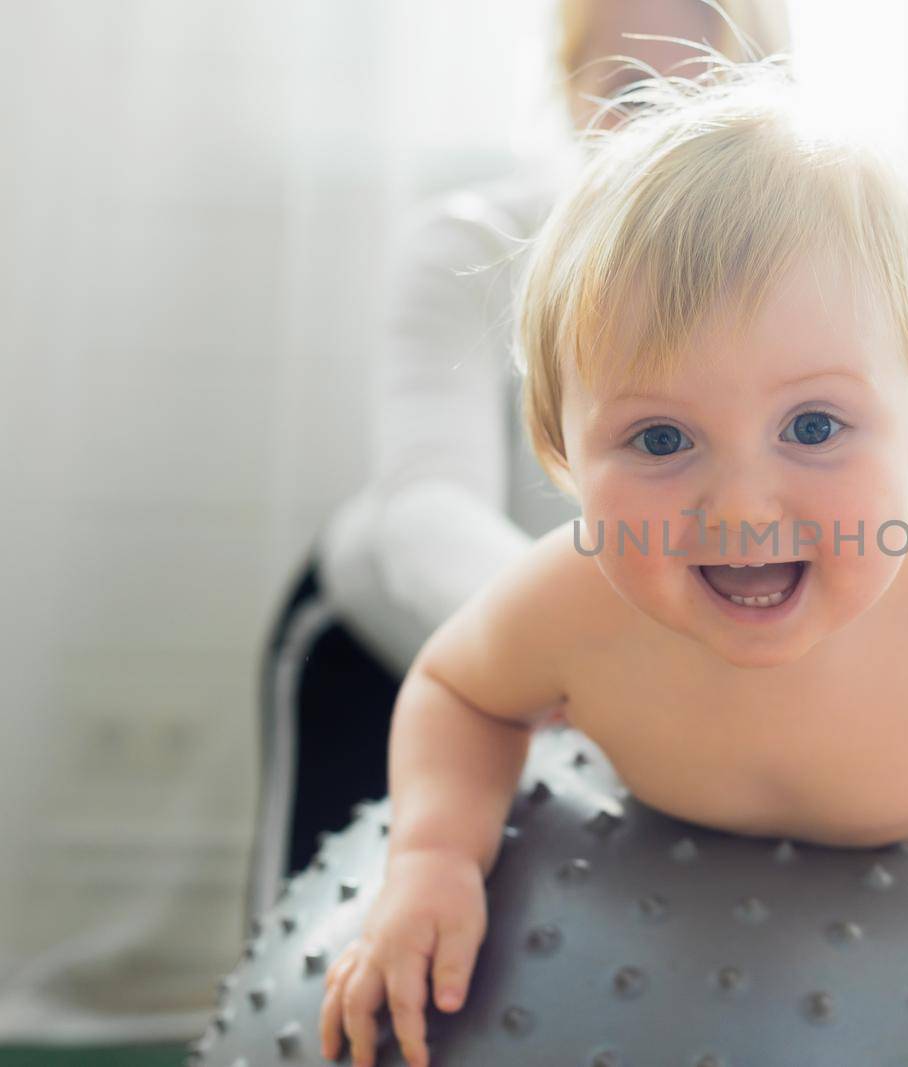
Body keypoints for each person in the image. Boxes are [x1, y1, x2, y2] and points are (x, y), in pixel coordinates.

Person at [316, 61, 908, 1067]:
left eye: (814, 424)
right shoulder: (568, 598)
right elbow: (456, 685)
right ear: (562, 454)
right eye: (658, 439)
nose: (741, 507)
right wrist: (433, 855)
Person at [247, 0, 796, 919]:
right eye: (628, 92)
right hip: (401, 629)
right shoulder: (472, 246)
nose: (664, 128)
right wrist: (606, 654)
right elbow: (425, 509)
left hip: (671, 636)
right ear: (568, 95)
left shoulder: (818, 255)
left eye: (705, 88)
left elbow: (902, 454)